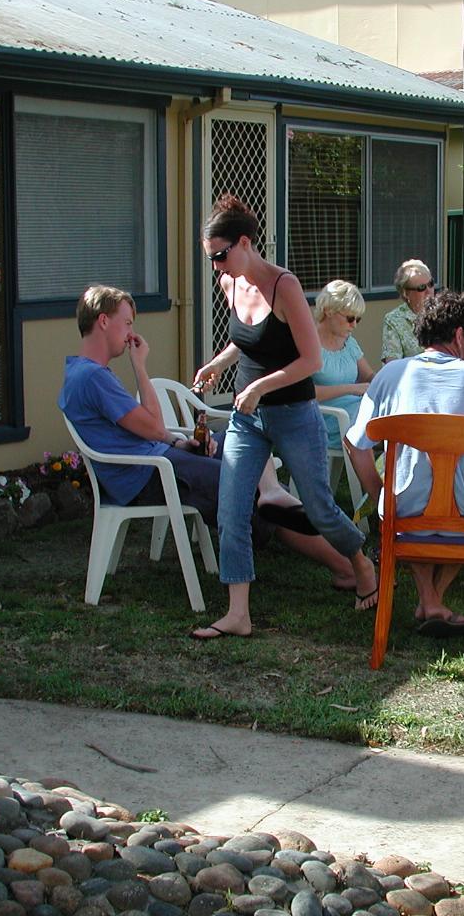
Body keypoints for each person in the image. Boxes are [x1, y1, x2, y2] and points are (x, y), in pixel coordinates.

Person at [58, 285, 364, 607]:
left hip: (155, 460)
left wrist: (179, 442)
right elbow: (152, 426)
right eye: (128, 323)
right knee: (245, 485)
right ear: (104, 321)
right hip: (144, 474)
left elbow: (148, 431)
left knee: (237, 445)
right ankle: (343, 564)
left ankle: (282, 503)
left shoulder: (85, 372)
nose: (131, 332)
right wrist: (140, 367)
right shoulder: (93, 378)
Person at [194, 195, 378, 640]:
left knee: (319, 506)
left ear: (244, 242)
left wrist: (259, 386)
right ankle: (238, 612)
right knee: (232, 509)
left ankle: (361, 561)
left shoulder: (284, 286)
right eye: (211, 260)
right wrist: (220, 363)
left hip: (294, 412)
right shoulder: (231, 284)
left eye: (220, 256)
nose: (217, 267)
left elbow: (310, 358)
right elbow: (249, 338)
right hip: (248, 417)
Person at [346, 290, 464, 635]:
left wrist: (380, 498)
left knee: (415, 503)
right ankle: (432, 602)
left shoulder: (390, 376)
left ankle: (429, 601)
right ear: (459, 335)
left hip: (404, 510)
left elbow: (356, 445)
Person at [312, 279, 375, 448]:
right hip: (325, 419)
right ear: (328, 311)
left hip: (353, 412)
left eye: (358, 319)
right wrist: (352, 388)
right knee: (370, 423)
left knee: (395, 416)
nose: (354, 325)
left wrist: (386, 380)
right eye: (350, 318)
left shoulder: (349, 342)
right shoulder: (308, 343)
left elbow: (368, 375)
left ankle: (390, 470)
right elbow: (305, 392)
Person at [381, 259, 434, 363]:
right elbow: (392, 364)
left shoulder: (443, 313)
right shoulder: (394, 320)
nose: (429, 291)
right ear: (406, 293)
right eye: (421, 287)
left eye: (431, 284)